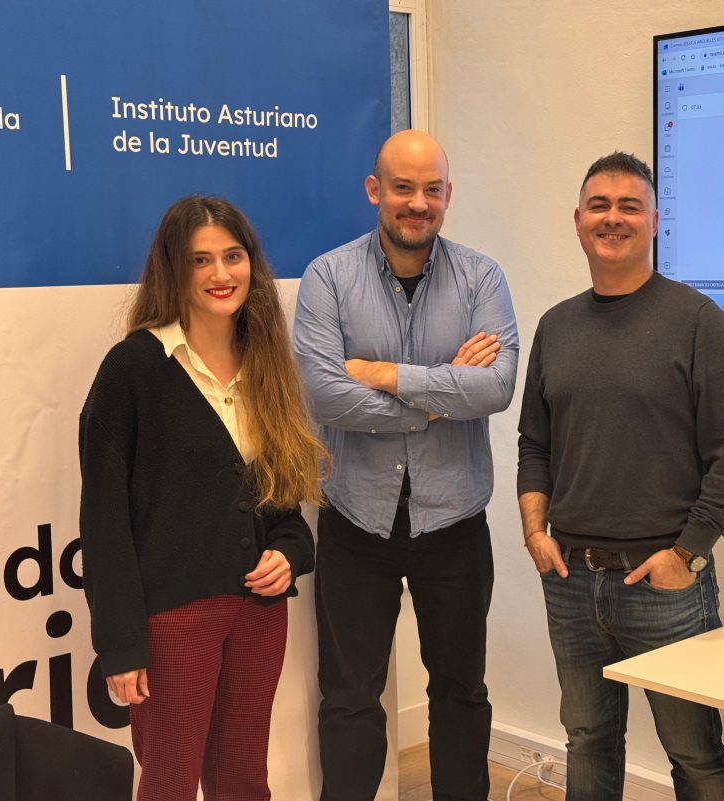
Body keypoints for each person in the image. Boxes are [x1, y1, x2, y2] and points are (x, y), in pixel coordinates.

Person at [517, 152, 724, 801]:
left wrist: (687, 553)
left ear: (655, 221)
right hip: (570, 579)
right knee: (587, 741)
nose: (613, 218)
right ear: (578, 220)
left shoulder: (699, 322)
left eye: (630, 206)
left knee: (695, 756)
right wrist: (535, 531)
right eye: (600, 205)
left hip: (666, 584)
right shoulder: (556, 326)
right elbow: (535, 442)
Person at [293, 129, 518, 801]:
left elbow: (496, 388)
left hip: (454, 522)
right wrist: (440, 397)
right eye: (402, 188)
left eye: (431, 189)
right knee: (349, 696)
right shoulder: (328, 277)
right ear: (375, 191)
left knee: (461, 691)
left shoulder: (482, 278)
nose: (417, 203)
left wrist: (385, 374)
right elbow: (324, 395)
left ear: (448, 195)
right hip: (355, 521)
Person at [79, 196, 326, 801]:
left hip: (258, 615)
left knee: (244, 779)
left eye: (233, 256)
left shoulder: (264, 363)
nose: (221, 273)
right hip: (172, 621)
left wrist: (290, 553)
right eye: (201, 260)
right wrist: (120, 645)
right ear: (174, 269)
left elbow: (283, 507)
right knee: (169, 783)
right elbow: (104, 523)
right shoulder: (132, 369)